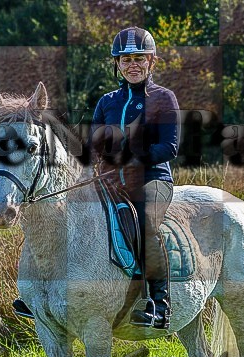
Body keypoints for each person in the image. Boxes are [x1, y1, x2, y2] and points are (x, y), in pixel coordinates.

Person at [92, 26, 180, 329]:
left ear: (151, 62)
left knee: (146, 223)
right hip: (112, 182)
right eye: (126, 59)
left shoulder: (164, 99)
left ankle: (159, 304)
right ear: (117, 63)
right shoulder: (106, 103)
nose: (133, 65)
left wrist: (132, 159)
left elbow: (169, 147)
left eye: (139, 58)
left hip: (153, 179)